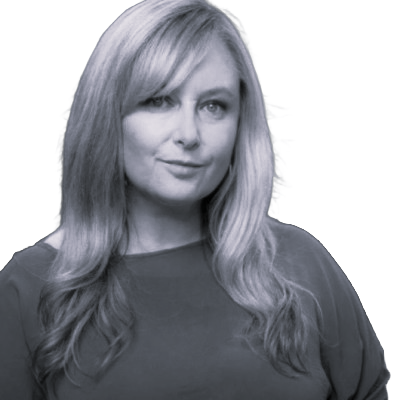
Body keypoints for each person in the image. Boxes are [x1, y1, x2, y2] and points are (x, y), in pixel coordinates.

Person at [0, 0, 390, 399]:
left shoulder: (301, 263)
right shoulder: (30, 286)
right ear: (106, 116)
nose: (188, 134)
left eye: (213, 106)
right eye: (159, 100)